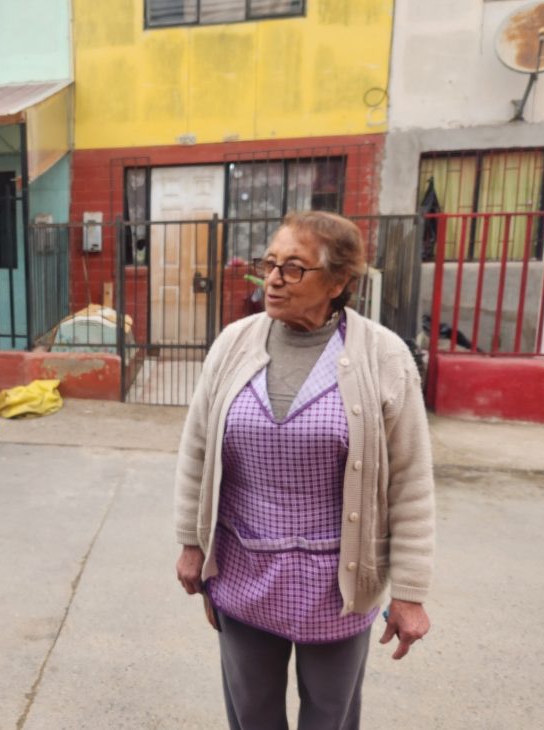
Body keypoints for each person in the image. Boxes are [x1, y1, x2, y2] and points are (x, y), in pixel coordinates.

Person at [174, 211, 435, 730]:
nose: (272, 278)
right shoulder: (234, 342)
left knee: (330, 717)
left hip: (338, 584)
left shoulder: (383, 356)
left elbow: (410, 482)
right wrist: (190, 542)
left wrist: (409, 591)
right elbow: (198, 447)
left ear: (339, 282)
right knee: (252, 715)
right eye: (269, 263)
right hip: (241, 569)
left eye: (294, 268)